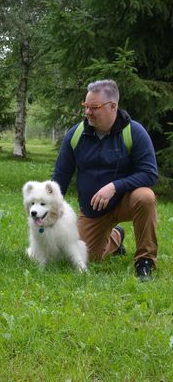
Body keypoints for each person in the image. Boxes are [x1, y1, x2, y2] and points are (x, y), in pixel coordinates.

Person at [52, 79, 158, 281]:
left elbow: (150, 173)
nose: (88, 113)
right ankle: (116, 237)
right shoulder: (75, 135)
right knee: (87, 257)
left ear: (113, 107)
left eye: (94, 107)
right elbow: (60, 178)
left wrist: (115, 186)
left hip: (126, 202)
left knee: (145, 196)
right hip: (94, 209)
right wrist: (50, 210)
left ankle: (145, 261)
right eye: (86, 106)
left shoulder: (134, 132)